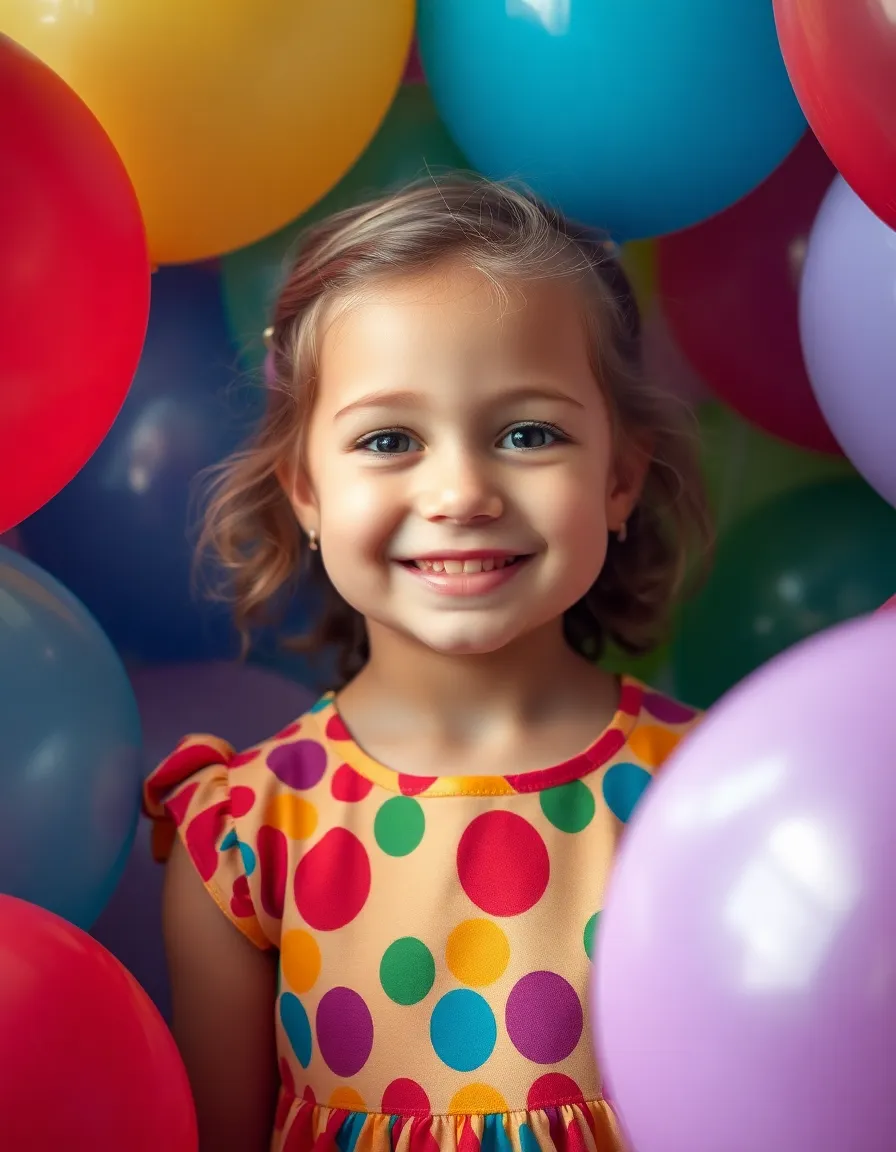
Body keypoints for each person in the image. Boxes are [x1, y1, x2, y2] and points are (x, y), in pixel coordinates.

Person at [144, 176, 712, 1152]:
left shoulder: (703, 797)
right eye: (389, 439)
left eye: (526, 433)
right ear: (306, 490)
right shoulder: (241, 842)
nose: (458, 491)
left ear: (618, 476)